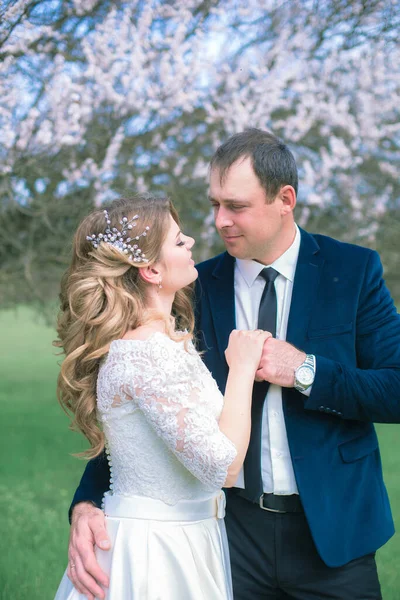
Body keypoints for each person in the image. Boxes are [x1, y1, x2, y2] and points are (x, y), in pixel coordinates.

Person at [65, 130, 400, 600]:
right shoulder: (192, 287)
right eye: (214, 204)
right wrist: (87, 501)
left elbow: (395, 387)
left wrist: (307, 372)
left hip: (333, 531)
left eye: (236, 206)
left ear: (285, 199)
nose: (220, 221)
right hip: (226, 533)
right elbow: (145, 407)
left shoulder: (354, 271)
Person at [53, 194, 271, 600]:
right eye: (177, 240)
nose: (190, 242)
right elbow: (222, 468)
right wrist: (242, 369)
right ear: (151, 269)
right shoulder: (146, 353)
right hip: (155, 550)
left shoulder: (165, 341)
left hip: (187, 534)